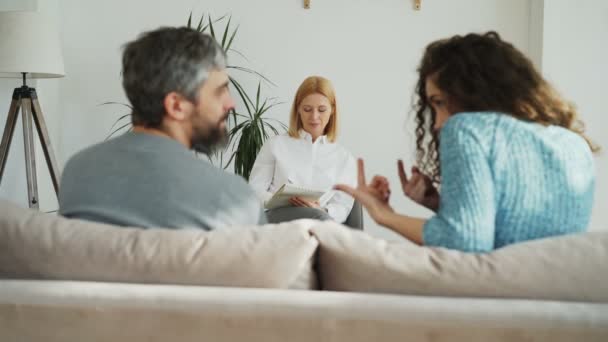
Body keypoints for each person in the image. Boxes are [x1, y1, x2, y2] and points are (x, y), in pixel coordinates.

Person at [336, 32, 598, 252]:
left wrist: (384, 215)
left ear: (474, 92)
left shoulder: (466, 128)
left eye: (439, 103)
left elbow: (465, 240)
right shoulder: (573, 143)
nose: (438, 123)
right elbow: (520, 233)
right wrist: (441, 205)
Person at [58, 27, 266, 229]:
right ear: (176, 106)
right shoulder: (235, 200)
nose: (231, 104)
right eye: (220, 91)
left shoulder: (76, 172)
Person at [249, 76, 356, 223]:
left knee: (318, 219)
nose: (314, 117)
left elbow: (343, 205)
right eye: (307, 109)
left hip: (320, 220)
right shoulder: (275, 145)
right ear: (298, 108)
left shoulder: (344, 157)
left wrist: (321, 210)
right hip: (278, 219)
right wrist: (280, 200)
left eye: (322, 110)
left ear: (332, 110)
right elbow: (254, 192)